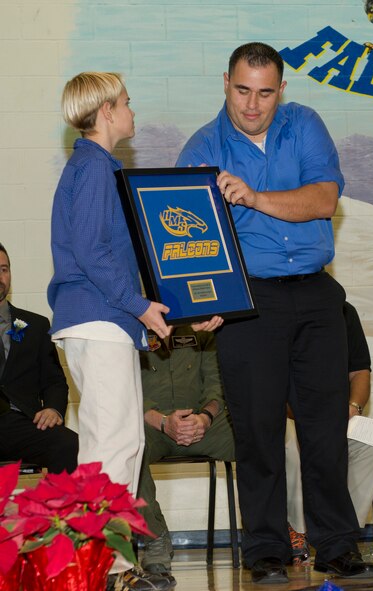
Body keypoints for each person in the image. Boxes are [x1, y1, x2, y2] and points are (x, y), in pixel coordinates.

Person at [177, 42, 373, 583]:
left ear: (281, 90)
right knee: (258, 429)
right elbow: (185, 241)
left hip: (317, 293)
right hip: (249, 299)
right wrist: (201, 302)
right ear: (225, 82)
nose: (252, 104)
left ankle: (337, 546)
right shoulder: (200, 147)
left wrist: (253, 197)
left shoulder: (304, 124)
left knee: (325, 428)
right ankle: (265, 548)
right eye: (242, 90)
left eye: (265, 93)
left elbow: (322, 200)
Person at [48, 72, 220, 591]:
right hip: (97, 318)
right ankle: (102, 567)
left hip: (102, 320)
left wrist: (154, 318)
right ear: (104, 112)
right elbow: (93, 253)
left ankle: (102, 563)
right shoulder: (95, 166)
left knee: (112, 446)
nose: (132, 111)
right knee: (112, 449)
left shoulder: (91, 165)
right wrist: (140, 305)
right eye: (125, 103)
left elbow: (105, 258)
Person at [285, 302, 373, 561]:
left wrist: (353, 407)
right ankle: (299, 531)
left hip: (339, 416)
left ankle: (341, 534)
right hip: (291, 416)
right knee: (292, 446)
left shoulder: (343, 311)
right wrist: (305, 416)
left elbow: (359, 371)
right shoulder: (279, 312)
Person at [137, 327, 235, 582]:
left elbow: (217, 383)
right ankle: (154, 538)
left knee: (259, 440)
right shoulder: (130, 325)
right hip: (151, 426)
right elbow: (124, 386)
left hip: (203, 425)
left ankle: (270, 537)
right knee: (128, 450)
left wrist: (205, 417)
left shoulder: (200, 328)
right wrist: (161, 421)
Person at [0, 243, 78, 474]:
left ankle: (57, 509)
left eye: (4, 269)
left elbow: (54, 381)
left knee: (70, 445)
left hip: (22, 423)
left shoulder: (35, 325)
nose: (0, 276)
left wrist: (53, 408)